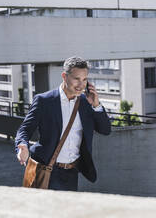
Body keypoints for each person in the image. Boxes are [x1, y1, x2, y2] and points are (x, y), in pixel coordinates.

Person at [15, 56, 111, 191]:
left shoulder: (86, 103)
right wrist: (22, 146)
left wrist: (96, 105)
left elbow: (105, 130)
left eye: (84, 79)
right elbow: (25, 129)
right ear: (64, 76)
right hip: (46, 169)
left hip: (71, 172)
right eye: (76, 79)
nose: (81, 84)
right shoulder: (44, 101)